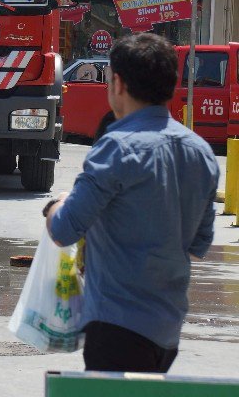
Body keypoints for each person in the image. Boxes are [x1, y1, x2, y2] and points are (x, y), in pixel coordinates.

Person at [45, 33, 218, 373]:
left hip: (116, 326)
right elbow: (199, 244)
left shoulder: (117, 148)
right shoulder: (201, 154)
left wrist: (53, 205)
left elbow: (64, 230)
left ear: (118, 83)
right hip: (167, 330)